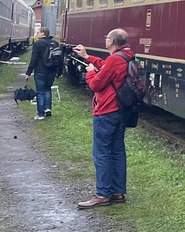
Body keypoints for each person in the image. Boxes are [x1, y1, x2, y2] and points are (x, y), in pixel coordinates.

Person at [72, 29, 132, 208]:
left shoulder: (114, 59)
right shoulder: (126, 56)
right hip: (120, 110)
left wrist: (90, 72)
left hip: (106, 110)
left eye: (107, 38)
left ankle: (103, 194)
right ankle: (118, 192)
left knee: (102, 153)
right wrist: (87, 57)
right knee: (117, 151)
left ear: (111, 41)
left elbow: (96, 84)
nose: (105, 40)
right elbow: (106, 66)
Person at [24, 27, 58, 120]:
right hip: (52, 71)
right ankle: (48, 109)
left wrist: (28, 72)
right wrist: (59, 71)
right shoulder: (55, 43)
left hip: (40, 71)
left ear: (43, 33)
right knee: (47, 89)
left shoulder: (38, 44)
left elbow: (34, 59)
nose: (37, 34)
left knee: (40, 92)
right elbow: (59, 58)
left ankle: (40, 114)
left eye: (38, 32)